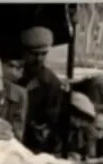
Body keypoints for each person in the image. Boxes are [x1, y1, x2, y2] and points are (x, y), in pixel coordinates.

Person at [19, 26, 66, 154]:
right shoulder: (12, 75)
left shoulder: (51, 82)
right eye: (34, 54)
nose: (39, 58)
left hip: (31, 145)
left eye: (43, 54)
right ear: (24, 52)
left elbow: (51, 120)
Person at [0, 42, 29, 142]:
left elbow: (18, 129)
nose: (18, 72)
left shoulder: (19, 94)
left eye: (21, 67)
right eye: (12, 66)